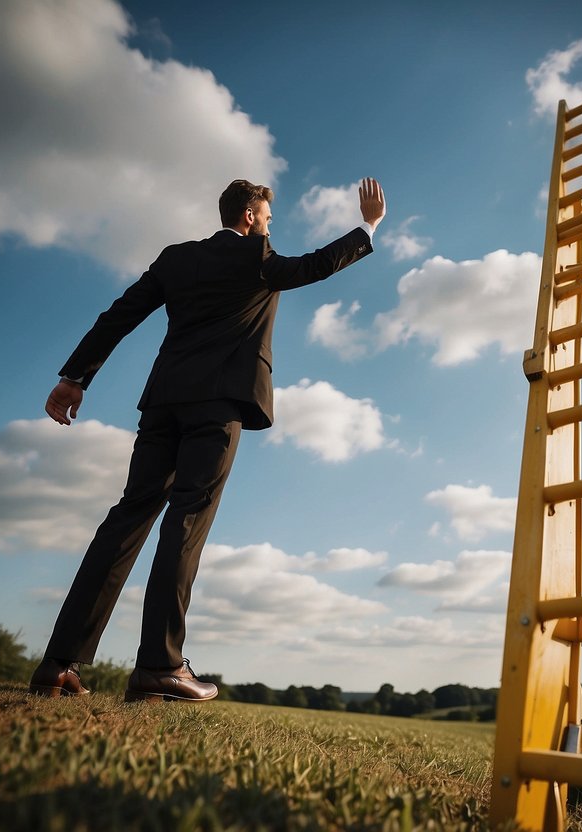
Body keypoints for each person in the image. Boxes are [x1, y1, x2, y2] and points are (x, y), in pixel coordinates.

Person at [28, 177, 386, 702]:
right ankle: (159, 665)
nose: (269, 224)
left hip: (164, 402)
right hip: (217, 407)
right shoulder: (259, 257)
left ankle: (57, 664)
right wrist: (368, 227)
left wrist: (75, 377)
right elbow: (312, 266)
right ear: (249, 217)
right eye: (266, 216)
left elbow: (120, 315)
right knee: (187, 520)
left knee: (128, 516)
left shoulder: (175, 259)